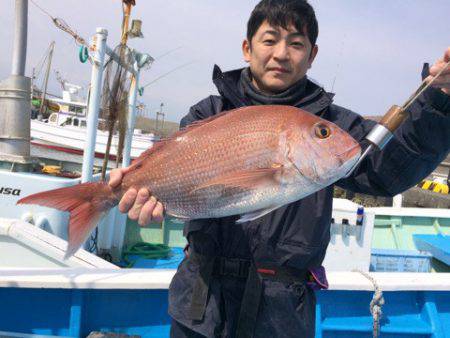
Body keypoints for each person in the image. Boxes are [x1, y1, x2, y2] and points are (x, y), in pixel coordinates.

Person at [109, 1, 450, 336]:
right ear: (247, 47)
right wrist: (145, 199)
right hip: (201, 303)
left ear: (312, 54)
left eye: (296, 43)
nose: (281, 53)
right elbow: (179, 185)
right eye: (269, 40)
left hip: (283, 314)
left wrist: (439, 100)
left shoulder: (333, 124)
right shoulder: (207, 114)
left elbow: (392, 168)